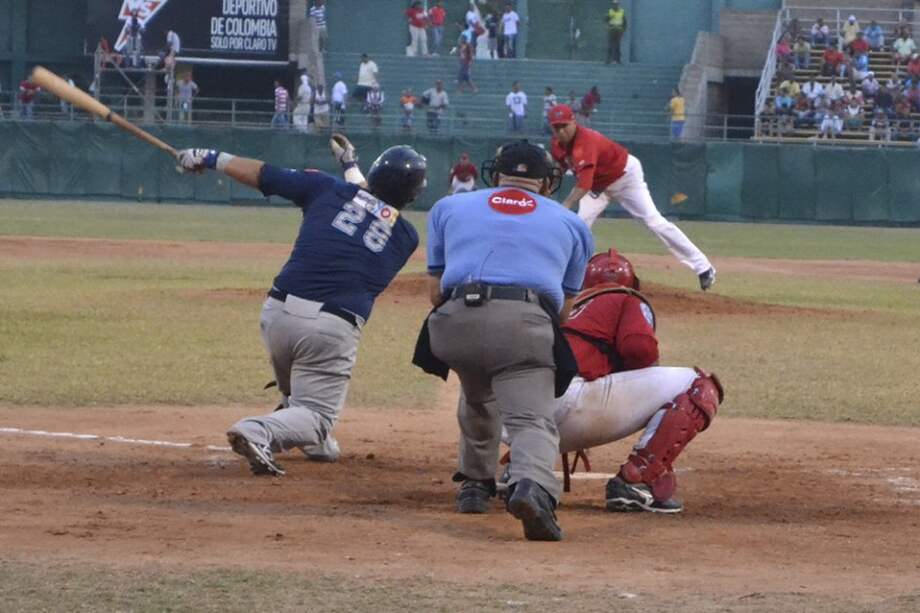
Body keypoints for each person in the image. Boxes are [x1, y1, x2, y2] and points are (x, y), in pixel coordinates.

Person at [176, 137, 426, 476]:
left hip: (276, 315)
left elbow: (264, 174)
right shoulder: (406, 238)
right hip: (329, 328)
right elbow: (375, 206)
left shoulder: (326, 188)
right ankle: (259, 431)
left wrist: (209, 156)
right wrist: (350, 167)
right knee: (319, 417)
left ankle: (311, 440)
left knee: (297, 396)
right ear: (414, 194)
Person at [419, 141, 594, 541]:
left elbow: (434, 293)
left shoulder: (448, 207)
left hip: (451, 326)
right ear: (548, 183)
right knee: (531, 418)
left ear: (495, 175)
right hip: (523, 321)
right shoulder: (573, 224)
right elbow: (563, 312)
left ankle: (474, 486)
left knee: (479, 394)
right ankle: (531, 487)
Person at [512, 249, 723, 513]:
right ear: (631, 283)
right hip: (568, 406)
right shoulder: (623, 297)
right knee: (699, 385)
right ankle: (637, 482)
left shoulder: (558, 300)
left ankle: (518, 469)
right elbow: (640, 349)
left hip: (511, 417)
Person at [548, 104, 716, 290]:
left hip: (625, 177)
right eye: (557, 127)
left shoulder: (586, 141)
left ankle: (704, 267)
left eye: (565, 125)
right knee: (579, 226)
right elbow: (559, 169)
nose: (561, 131)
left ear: (574, 121)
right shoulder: (556, 145)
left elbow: (583, 185)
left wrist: (565, 205)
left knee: (654, 222)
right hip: (599, 187)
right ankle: (572, 278)